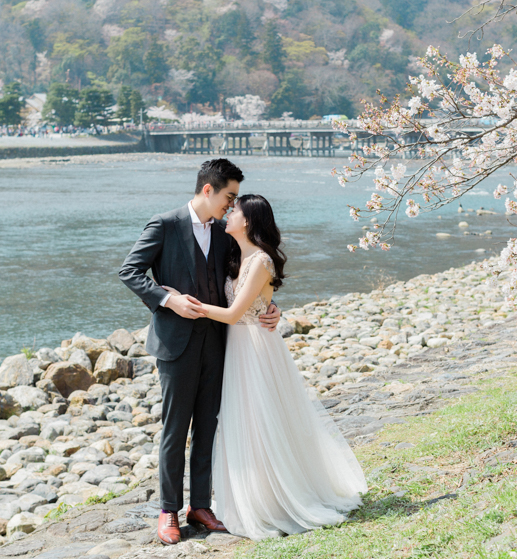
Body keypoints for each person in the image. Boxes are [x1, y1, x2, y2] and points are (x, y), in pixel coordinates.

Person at [163, 194, 367, 540]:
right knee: (243, 422)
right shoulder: (234, 254)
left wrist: (183, 303)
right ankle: (252, 495)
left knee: (263, 421)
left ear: (249, 221)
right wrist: (270, 306)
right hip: (236, 349)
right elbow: (253, 300)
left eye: (235, 211)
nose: (228, 214)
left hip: (256, 349)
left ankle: (273, 498)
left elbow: (232, 313)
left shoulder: (260, 260)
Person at [119, 159, 282, 545]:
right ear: (208, 190)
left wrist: (270, 307)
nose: (232, 204)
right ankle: (168, 511)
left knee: (208, 426)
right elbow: (130, 271)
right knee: (175, 429)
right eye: (230, 196)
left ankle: (199, 506)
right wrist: (166, 300)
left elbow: (248, 276)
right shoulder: (164, 224)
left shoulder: (227, 232)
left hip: (220, 342)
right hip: (176, 343)